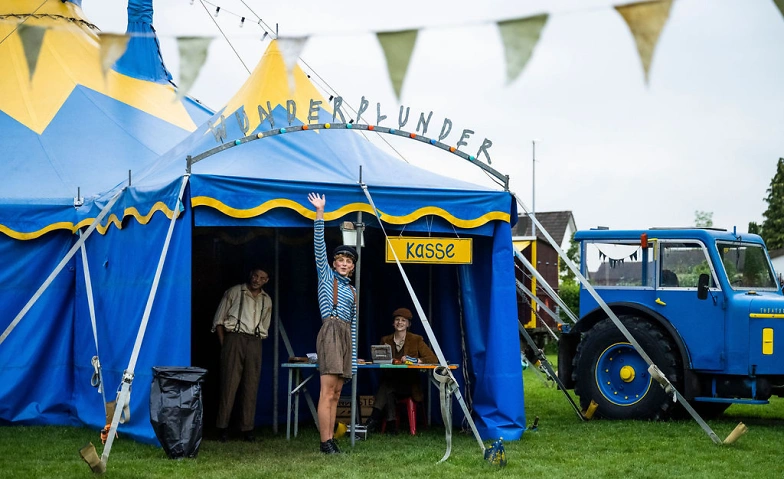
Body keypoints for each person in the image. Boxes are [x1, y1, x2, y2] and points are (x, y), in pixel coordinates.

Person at [308, 192, 358, 454]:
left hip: (346, 337)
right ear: (334, 262)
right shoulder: (326, 276)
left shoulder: (352, 291)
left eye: (348, 261)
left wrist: (354, 359)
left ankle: (330, 439)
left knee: (338, 393)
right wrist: (320, 212)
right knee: (327, 392)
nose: (344, 263)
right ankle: (325, 441)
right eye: (340, 259)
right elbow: (319, 246)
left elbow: (354, 326)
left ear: (352, 267)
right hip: (330, 329)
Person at [212, 267, 272, 442]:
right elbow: (219, 320)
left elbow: (264, 326)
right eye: (255, 275)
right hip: (234, 338)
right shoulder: (234, 292)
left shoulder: (266, 300)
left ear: (266, 280)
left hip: (254, 341)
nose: (257, 280)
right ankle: (222, 427)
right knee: (229, 383)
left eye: (261, 278)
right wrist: (226, 344)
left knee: (251, 384)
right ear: (250, 275)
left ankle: (247, 428)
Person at [364, 307, 437, 433]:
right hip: (391, 380)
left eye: (403, 320)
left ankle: (373, 421)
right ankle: (390, 426)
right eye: (397, 320)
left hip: (409, 384)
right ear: (393, 323)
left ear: (408, 324)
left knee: (386, 386)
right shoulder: (385, 340)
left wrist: (413, 360)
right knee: (388, 386)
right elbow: (379, 359)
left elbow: (432, 358)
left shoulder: (416, 339)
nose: (400, 322)